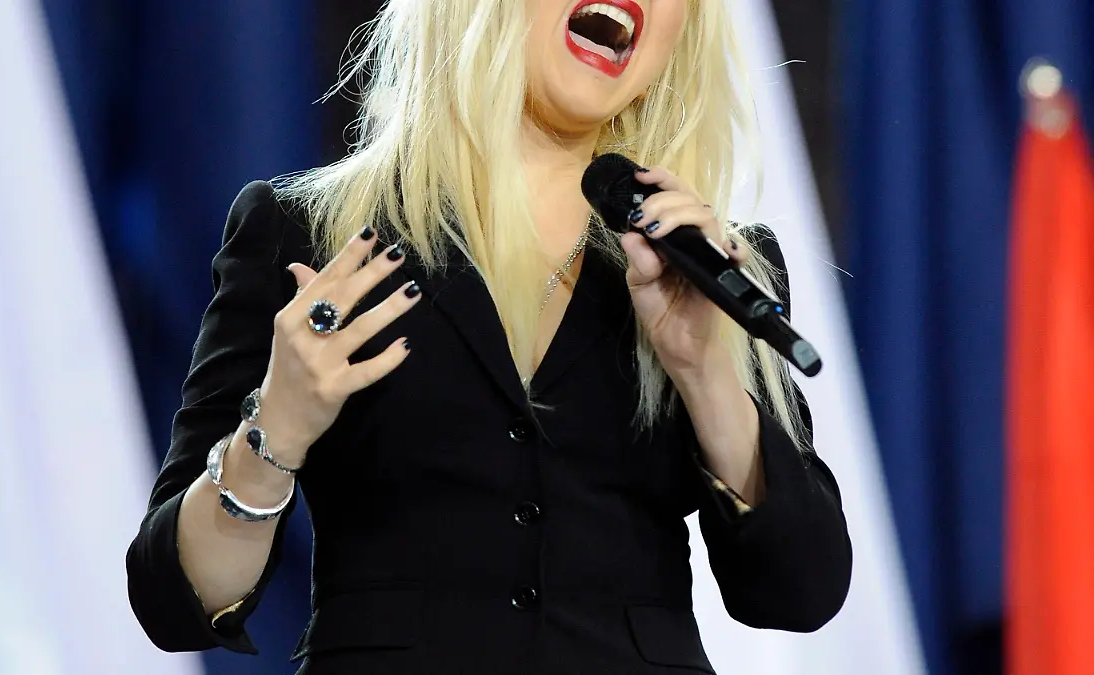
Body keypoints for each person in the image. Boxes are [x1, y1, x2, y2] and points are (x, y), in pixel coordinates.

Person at [126, 0, 853, 672]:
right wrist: (273, 429)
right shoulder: (311, 235)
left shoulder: (705, 266)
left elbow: (800, 589)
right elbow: (174, 598)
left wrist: (703, 368)